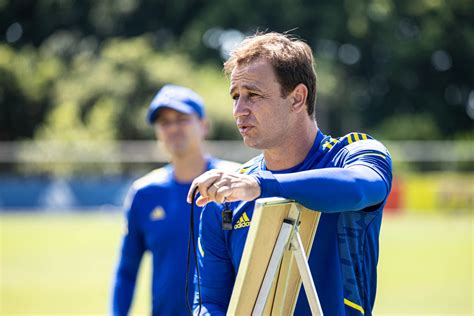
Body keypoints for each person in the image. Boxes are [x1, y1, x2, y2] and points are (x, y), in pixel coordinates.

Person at [187, 32, 392, 315]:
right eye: (236, 96)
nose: (238, 111)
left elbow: (359, 188)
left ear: (297, 98)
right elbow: (209, 302)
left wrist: (262, 186)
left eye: (253, 95)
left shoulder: (354, 153)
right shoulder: (230, 196)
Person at [112, 84, 239, 316]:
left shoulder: (235, 182)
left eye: (181, 119)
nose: (173, 128)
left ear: (204, 125)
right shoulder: (144, 193)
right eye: (164, 122)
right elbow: (126, 271)